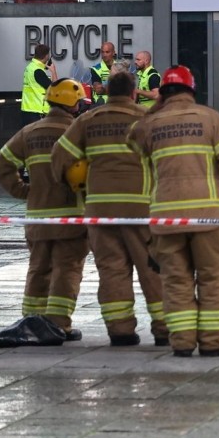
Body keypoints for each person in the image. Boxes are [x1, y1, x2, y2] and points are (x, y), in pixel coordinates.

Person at [127, 65, 219, 358]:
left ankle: (183, 343)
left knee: (175, 281)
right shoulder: (211, 119)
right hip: (208, 217)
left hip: (166, 219)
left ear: (162, 94)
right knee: (212, 278)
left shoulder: (151, 125)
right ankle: (212, 343)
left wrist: (155, 110)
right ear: (192, 90)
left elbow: (131, 139)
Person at [51, 70, 167, 347]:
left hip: (100, 209)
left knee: (112, 270)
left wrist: (68, 184)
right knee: (153, 270)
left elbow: (59, 155)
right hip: (141, 210)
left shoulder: (88, 120)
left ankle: (121, 330)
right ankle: (165, 329)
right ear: (132, 93)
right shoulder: (146, 118)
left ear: (107, 92)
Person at [0, 79, 89, 341]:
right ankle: (59, 324)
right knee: (66, 270)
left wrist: (24, 190)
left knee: (38, 268)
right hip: (71, 217)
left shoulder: (30, 132)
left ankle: (31, 322)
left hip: (37, 217)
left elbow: (3, 163)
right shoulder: (77, 131)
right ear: (74, 105)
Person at [21, 44, 57, 124]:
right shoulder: (38, 71)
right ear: (46, 56)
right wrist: (54, 72)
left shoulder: (30, 67)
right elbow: (55, 89)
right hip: (37, 113)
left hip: (27, 111)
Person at [89, 40, 118, 105]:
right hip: (100, 105)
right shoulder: (96, 69)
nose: (104, 55)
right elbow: (98, 90)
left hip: (117, 104)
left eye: (107, 52)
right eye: (102, 52)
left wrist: (104, 87)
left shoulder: (120, 68)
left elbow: (125, 90)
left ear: (113, 53)